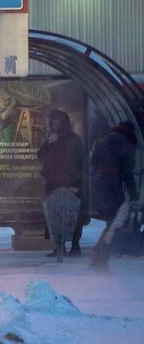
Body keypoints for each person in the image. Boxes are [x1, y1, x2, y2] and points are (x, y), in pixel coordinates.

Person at [90, 121, 138, 271]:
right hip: (113, 188)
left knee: (110, 224)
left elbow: (93, 162)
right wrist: (134, 196)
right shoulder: (127, 145)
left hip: (98, 186)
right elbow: (128, 174)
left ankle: (97, 259)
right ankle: (100, 262)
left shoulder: (102, 141)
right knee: (113, 226)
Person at [37, 109, 85, 256]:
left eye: (58, 122)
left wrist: (75, 182)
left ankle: (75, 246)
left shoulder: (73, 140)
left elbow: (78, 162)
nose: (55, 124)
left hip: (70, 181)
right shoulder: (53, 138)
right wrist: (48, 144)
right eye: (53, 122)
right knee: (54, 214)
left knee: (73, 214)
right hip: (54, 181)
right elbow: (40, 156)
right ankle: (59, 246)